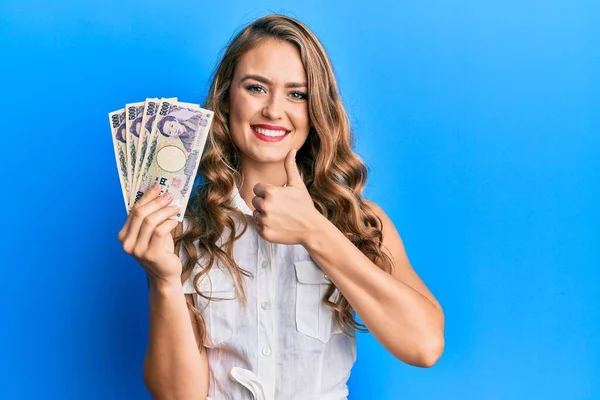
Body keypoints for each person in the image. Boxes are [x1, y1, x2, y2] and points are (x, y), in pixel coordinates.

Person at [118, 14, 445, 400]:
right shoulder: (181, 227)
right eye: (256, 88)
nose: (274, 110)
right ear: (227, 99)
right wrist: (164, 280)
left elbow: (424, 346)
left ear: (315, 110)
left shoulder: (358, 219)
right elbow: (178, 396)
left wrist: (314, 231)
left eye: (297, 94)